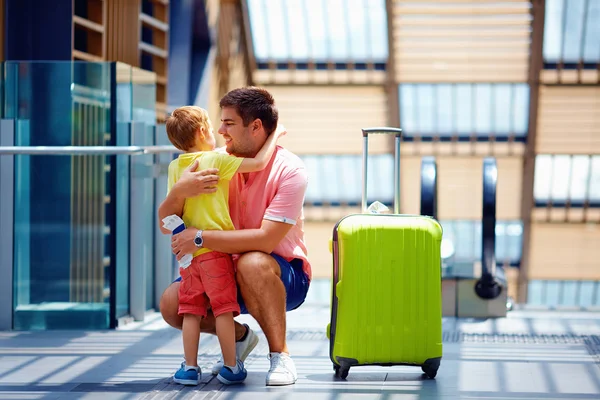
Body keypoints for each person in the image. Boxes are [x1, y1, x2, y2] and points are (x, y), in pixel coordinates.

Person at [158, 87, 311, 386]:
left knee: (252, 263)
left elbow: (266, 240)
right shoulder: (209, 162)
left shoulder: (291, 170)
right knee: (171, 304)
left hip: (280, 274)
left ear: (255, 127)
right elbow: (166, 224)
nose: (220, 130)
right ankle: (240, 337)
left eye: (228, 123)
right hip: (220, 266)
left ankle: (280, 355)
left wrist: (200, 238)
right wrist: (179, 193)